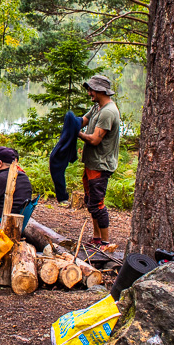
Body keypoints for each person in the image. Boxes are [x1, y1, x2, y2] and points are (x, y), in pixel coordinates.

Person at [79, 74, 121, 252]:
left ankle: (105, 243)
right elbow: (83, 120)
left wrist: (76, 134)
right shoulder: (97, 107)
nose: (89, 93)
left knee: (97, 203)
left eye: (91, 89)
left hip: (101, 165)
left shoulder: (108, 112)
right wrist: (71, 123)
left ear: (99, 90)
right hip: (92, 163)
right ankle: (97, 238)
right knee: (90, 201)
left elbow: (95, 140)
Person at [49, 109, 83, 206]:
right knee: (58, 177)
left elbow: (84, 119)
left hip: (57, 157)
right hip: (56, 158)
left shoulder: (71, 126)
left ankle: (62, 197)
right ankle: (62, 197)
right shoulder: (70, 130)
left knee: (59, 177)